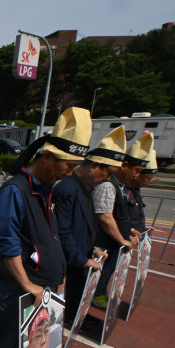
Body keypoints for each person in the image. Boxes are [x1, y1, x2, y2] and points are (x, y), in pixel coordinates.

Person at [0, 107, 91, 348]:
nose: (69, 174)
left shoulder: (45, 190)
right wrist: (27, 283)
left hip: (42, 287)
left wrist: (61, 275)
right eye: (66, 166)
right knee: (1, 340)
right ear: (47, 158)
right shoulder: (15, 190)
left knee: (17, 342)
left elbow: (49, 237)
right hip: (20, 288)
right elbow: (7, 244)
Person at [53, 126, 124, 326]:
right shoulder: (68, 188)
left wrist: (91, 250)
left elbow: (82, 227)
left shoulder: (85, 188)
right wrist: (80, 258)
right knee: (65, 297)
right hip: (68, 259)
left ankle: (75, 317)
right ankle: (69, 320)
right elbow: (63, 230)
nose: (108, 179)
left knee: (76, 295)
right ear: (94, 165)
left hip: (79, 256)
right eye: (108, 173)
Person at [91, 133, 151, 308]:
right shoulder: (108, 185)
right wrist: (122, 239)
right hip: (104, 243)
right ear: (124, 165)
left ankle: (96, 295)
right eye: (137, 171)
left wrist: (130, 231)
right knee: (97, 275)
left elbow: (119, 215)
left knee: (106, 272)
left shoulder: (118, 186)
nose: (136, 175)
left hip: (113, 244)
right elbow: (105, 217)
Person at [122, 148, 156, 233]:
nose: (150, 181)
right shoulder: (122, 190)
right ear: (138, 175)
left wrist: (141, 227)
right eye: (149, 178)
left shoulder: (135, 190)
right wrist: (130, 230)